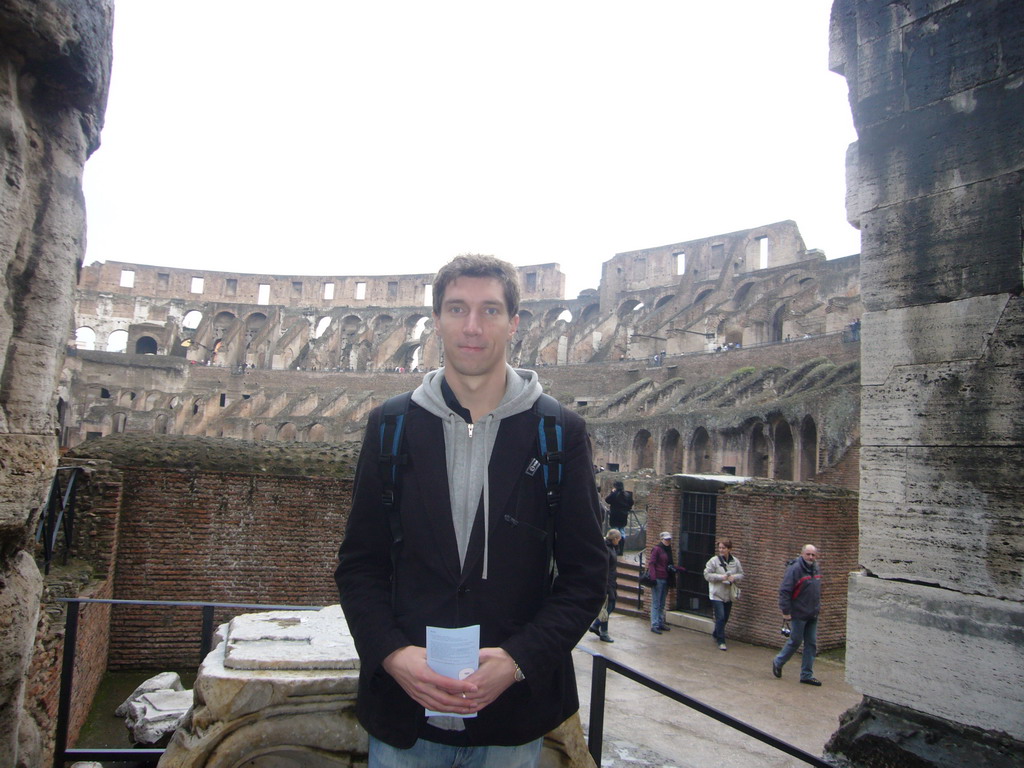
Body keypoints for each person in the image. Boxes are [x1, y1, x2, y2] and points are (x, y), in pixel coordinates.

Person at [335, 254, 607, 768]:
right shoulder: (389, 426)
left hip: (512, 713)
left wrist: (519, 661)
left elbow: (586, 577)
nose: (473, 326)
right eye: (457, 309)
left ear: (515, 323)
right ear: (435, 320)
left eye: (490, 310)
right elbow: (359, 566)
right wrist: (392, 653)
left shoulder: (558, 433)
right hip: (404, 712)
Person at [772, 544, 822, 686]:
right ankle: (778, 661)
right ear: (801, 554)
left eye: (813, 555)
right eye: (808, 554)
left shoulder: (816, 568)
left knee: (811, 644)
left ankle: (806, 674)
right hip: (799, 613)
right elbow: (785, 591)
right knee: (795, 640)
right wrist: (786, 612)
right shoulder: (795, 569)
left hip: (812, 613)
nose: (811, 557)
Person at [703, 538, 744, 651]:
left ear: (729, 549)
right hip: (716, 594)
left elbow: (741, 574)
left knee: (725, 617)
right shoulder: (713, 561)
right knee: (720, 616)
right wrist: (721, 577)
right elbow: (707, 575)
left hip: (728, 594)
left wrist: (733, 578)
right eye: (720, 548)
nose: (721, 550)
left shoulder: (735, 561)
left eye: (724, 548)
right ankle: (721, 641)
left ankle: (716, 632)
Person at [589, 529, 622, 643]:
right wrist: (606, 584)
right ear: (614, 539)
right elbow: (604, 567)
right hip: (607, 582)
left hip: (612, 581)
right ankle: (604, 632)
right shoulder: (607, 550)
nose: (620, 542)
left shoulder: (612, 548)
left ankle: (596, 625)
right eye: (619, 539)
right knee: (608, 606)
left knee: (611, 606)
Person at [647, 531, 676, 634]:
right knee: (656, 602)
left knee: (662, 602)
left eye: (669, 539)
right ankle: (654, 624)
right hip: (658, 578)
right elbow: (652, 563)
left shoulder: (668, 550)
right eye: (666, 539)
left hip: (666, 578)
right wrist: (653, 577)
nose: (668, 541)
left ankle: (660, 622)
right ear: (661, 539)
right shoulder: (657, 549)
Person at [604, 481, 633, 555]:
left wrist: (612, 492)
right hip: (623, 516)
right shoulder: (627, 494)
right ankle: (621, 550)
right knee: (622, 532)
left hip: (615, 516)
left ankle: (616, 549)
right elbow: (631, 502)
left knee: (615, 533)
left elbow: (607, 500)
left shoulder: (614, 494)